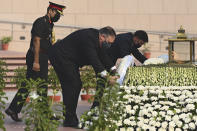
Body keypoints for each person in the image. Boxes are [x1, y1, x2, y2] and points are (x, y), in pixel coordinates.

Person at [5, 1, 65, 122]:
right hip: (36, 56)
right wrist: (36, 61)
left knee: (28, 84)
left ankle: (13, 109)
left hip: (42, 56)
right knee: (42, 84)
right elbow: (36, 41)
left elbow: (45, 41)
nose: (58, 16)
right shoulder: (40, 22)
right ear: (50, 11)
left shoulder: (49, 23)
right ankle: (44, 114)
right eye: (57, 13)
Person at [48, 26, 118, 128]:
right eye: (109, 42)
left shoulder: (97, 39)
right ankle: (70, 119)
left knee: (72, 85)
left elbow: (103, 56)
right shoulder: (88, 39)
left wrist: (114, 70)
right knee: (73, 84)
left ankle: (69, 118)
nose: (110, 45)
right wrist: (108, 77)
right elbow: (94, 60)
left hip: (69, 59)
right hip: (61, 56)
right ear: (102, 37)